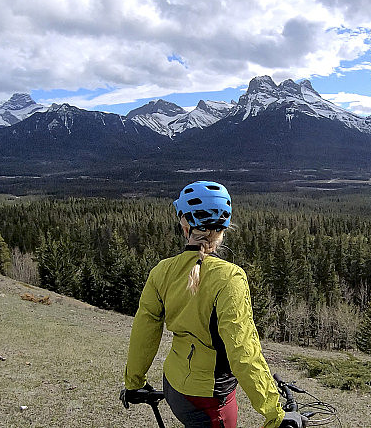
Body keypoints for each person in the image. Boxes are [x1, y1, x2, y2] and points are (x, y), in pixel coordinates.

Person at [121, 181, 304, 428]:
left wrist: (134, 383)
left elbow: (145, 331)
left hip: (175, 386)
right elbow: (243, 350)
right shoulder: (230, 277)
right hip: (210, 400)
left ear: (185, 225)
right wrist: (275, 412)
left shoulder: (161, 272)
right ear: (224, 228)